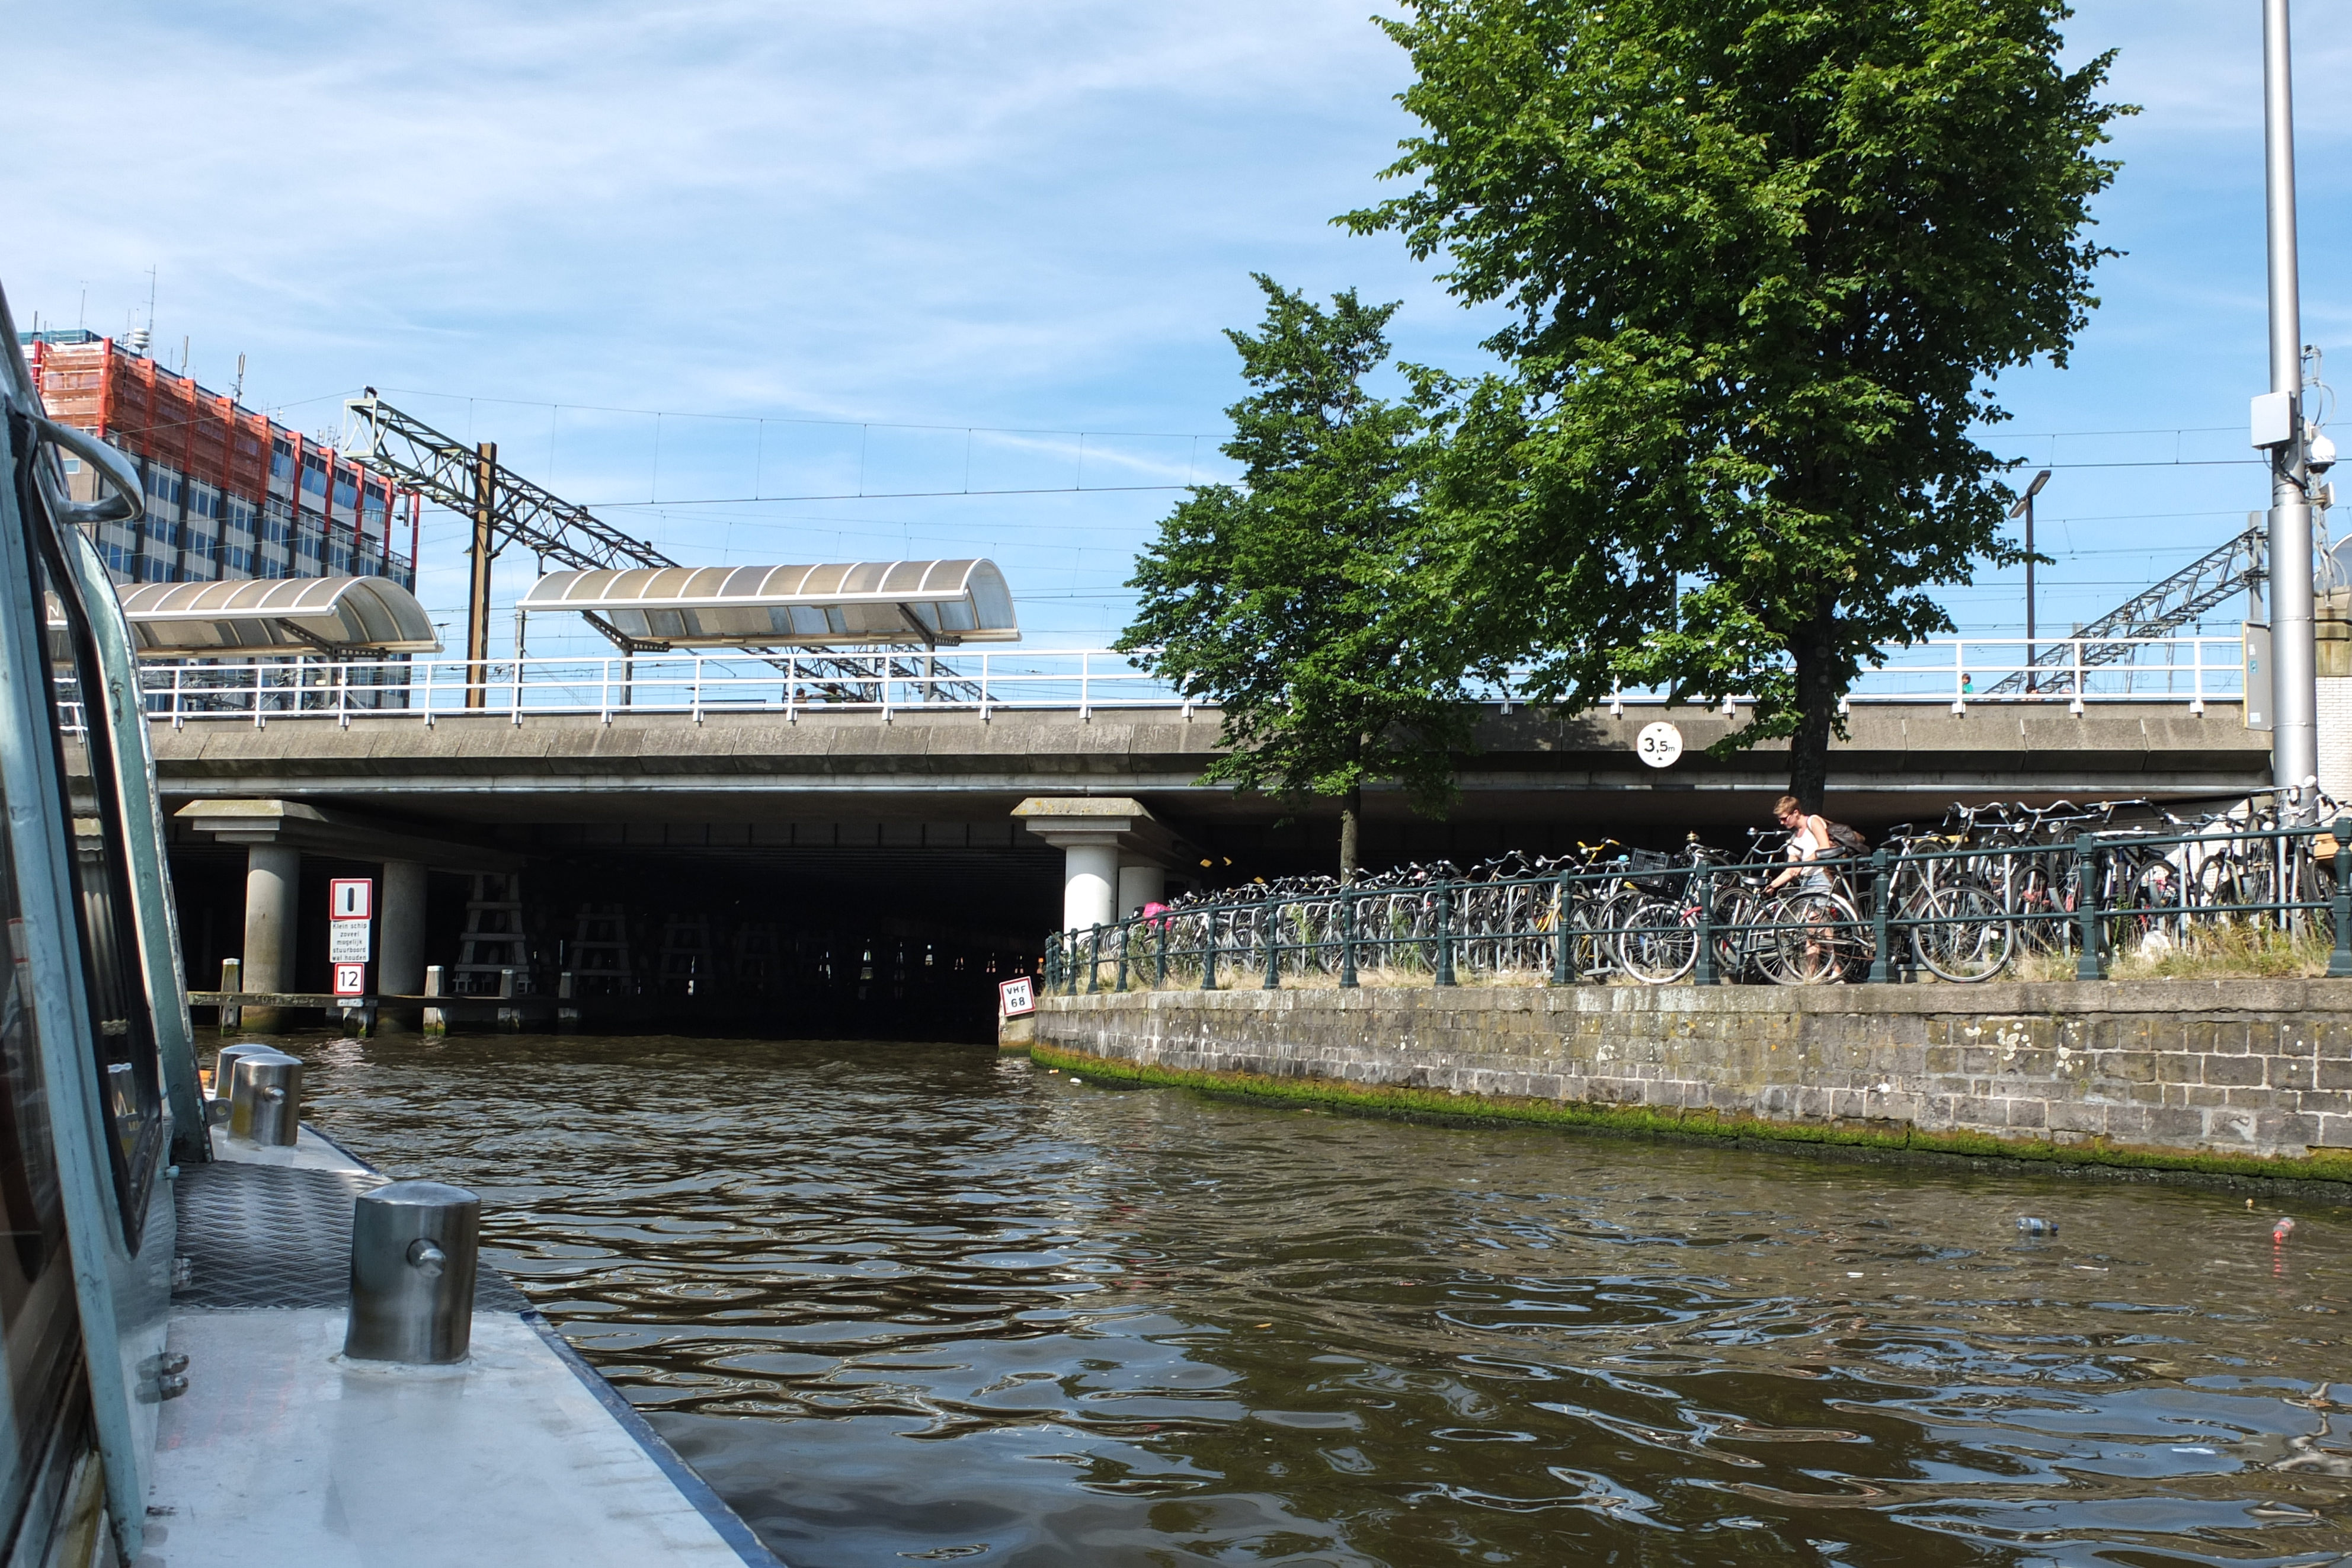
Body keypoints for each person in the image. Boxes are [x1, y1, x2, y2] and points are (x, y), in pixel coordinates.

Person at [1765, 794, 1839, 980]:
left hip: (1821, 876)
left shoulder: (1813, 821)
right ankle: (1825, 971)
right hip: (1806, 882)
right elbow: (1791, 870)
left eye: (1785, 818)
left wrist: (1804, 863)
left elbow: (1824, 846)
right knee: (1814, 928)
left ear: (1796, 813)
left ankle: (1815, 974)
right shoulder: (1793, 840)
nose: (1782, 823)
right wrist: (1773, 885)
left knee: (1815, 926)